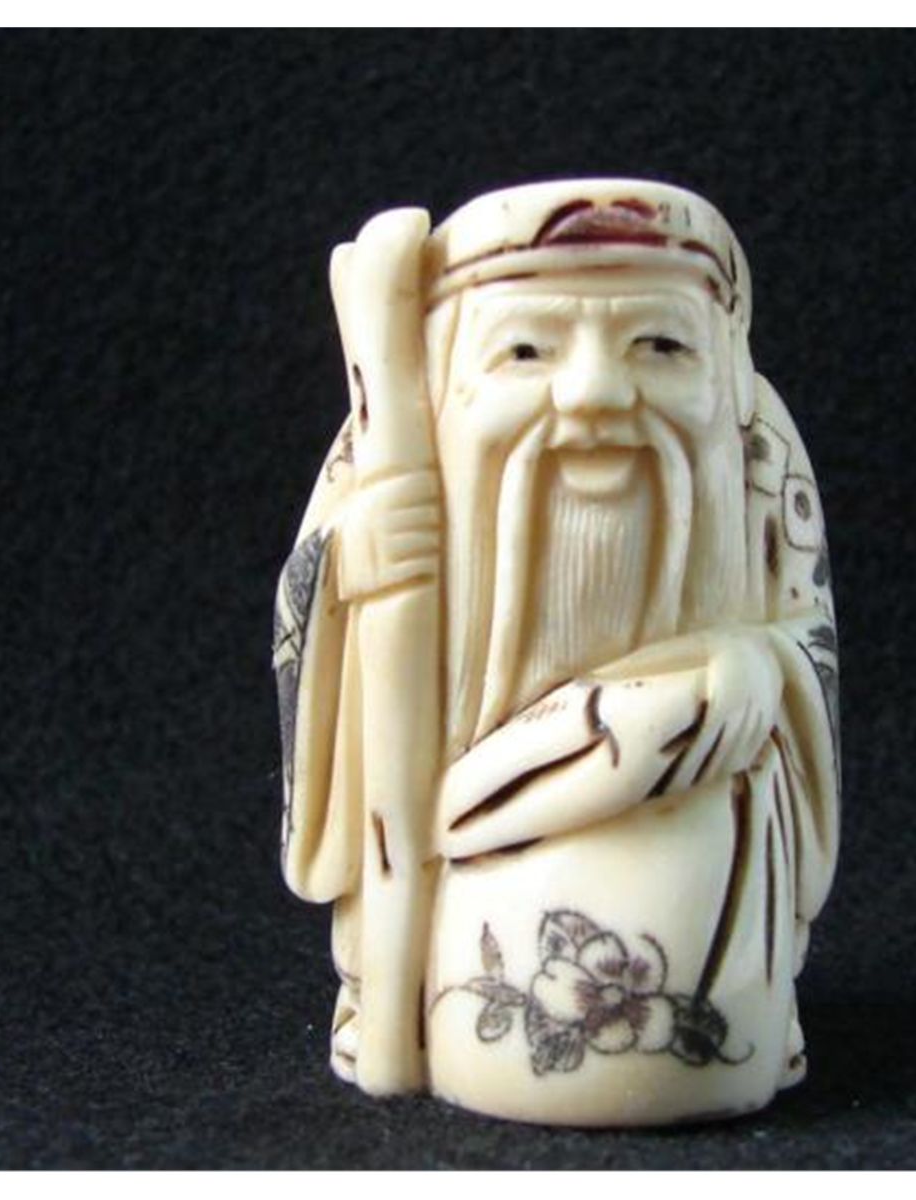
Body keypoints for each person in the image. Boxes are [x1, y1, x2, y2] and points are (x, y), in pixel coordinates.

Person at [272, 180, 839, 1124]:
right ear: (448, 372)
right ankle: (411, 1005)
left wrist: (750, 670)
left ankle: (735, 1019)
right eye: (528, 351)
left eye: (660, 347)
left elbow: (805, 635)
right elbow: (310, 624)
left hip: (709, 819)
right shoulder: (388, 443)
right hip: (452, 866)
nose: (596, 396)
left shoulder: (759, 453)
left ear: (729, 373)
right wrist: (352, 564)